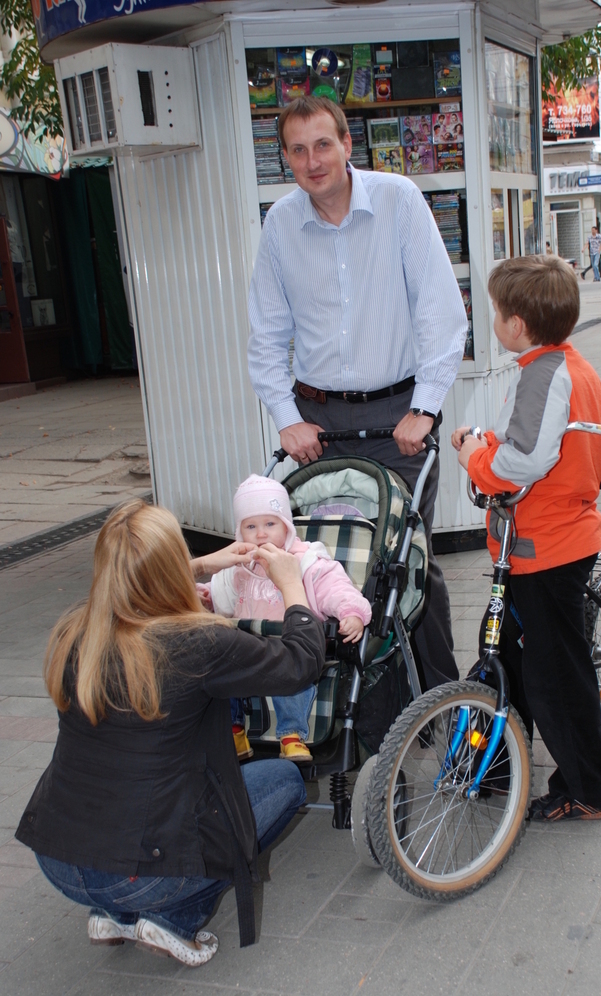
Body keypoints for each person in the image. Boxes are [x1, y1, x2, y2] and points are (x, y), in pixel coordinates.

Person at [16, 499, 325, 966]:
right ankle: (172, 919)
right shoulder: (200, 643)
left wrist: (202, 564)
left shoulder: (75, 629)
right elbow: (302, 663)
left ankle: (113, 913)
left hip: (57, 858)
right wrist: (291, 585)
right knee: (283, 781)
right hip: (145, 871)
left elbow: (133, 580)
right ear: (168, 566)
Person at [248, 95, 468, 690]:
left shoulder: (399, 201)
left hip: (400, 418)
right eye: (298, 149)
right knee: (324, 561)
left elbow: (442, 316)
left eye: (323, 144)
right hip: (319, 425)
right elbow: (266, 337)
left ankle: (446, 706)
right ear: (287, 159)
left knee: (408, 566)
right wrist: (286, 417)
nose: (313, 160)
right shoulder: (280, 225)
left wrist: (425, 407)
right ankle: (354, 706)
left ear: (347, 145)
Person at [451, 255, 601, 823]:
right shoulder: (557, 364)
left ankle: (590, 790)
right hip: (540, 546)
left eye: (495, 312)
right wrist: (485, 437)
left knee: (556, 679)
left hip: (546, 550)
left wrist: (476, 457)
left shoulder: (545, 373)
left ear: (516, 323)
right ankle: (494, 767)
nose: (492, 320)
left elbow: (523, 458)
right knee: (503, 654)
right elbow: (532, 436)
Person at [198, 474, 371, 762]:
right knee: (219, 668)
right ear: (239, 532)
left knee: (292, 679)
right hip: (246, 654)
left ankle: (292, 734)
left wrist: (351, 612)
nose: (261, 534)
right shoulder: (238, 569)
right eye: (251, 526)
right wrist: (204, 597)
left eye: (270, 524)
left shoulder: (305, 561)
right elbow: (220, 597)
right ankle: (234, 730)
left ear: (286, 526)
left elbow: (335, 588)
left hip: (288, 653)